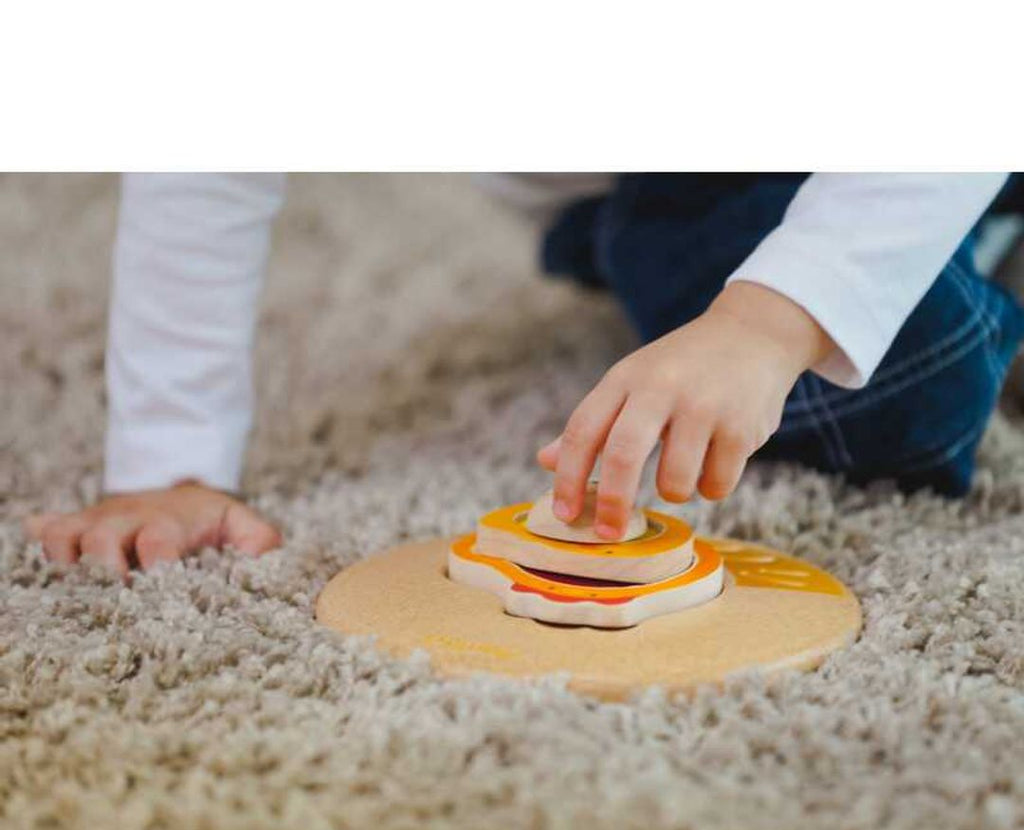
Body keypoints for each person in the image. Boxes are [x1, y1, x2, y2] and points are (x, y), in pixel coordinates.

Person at [26, 173, 1024, 572]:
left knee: (892, 352)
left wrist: (767, 321)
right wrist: (171, 457)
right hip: (678, 180)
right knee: (906, 381)